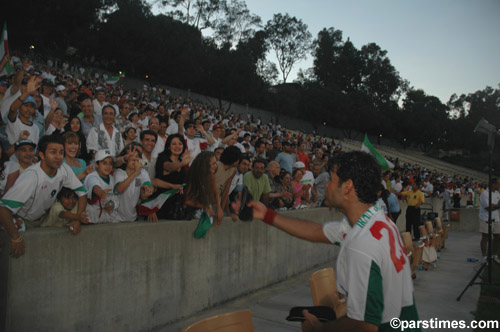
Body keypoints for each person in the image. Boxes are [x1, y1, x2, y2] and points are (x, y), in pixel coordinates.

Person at [243, 151, 420, 332]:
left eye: (331, 179)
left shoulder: (361, 245)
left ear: (347, 186)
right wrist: (267, 215)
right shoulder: (376, 221)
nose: (326, 185)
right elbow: (317, 231)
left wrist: (319, 328)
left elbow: (366, 325)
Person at [0, 135, 88, 258]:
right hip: (25, 221)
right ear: (41, 155)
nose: (58, 157)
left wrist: (77, 219)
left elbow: (82, 193)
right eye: (53, 152)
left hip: (45, 218)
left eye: (61, 152)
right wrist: (16, 238)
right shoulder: (31, 177)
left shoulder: (63, 169)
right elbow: (3, 209)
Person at [114, 144, 155, 222]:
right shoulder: (119, 173)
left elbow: (147, 185)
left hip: (133, 218)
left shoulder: (142, 172)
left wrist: (148, 190)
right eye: (131, 157)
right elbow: (119, 189)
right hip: (117, 219)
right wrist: (135, 173)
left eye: (137, 157)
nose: (134, 159)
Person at [185, 151, 222, 222]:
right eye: (213, 164)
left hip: (205, 205)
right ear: (205, 165)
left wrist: (219, 208)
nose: (216, 166)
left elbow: (215, 192)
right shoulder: (193, 176)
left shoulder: (210, 175)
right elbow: (187, 201)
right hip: (193, 209)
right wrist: (205, 207)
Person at [83, 149, 119, 223]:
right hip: (91, 219)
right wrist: (101, 193)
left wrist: (111, 205)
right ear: (96, 164)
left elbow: (116, 198)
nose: (108, 166)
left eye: (110, 163)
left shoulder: (112, 179)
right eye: (104, 163)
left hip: (106, 218)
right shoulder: (91, 176)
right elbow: (95, 186)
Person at [478, 177, 500, 263]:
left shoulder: (497, 193)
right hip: (485, 217)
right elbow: (488, 207)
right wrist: (496, 206)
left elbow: (495, 205)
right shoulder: (485, 193)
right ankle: (484, 256)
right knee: (485, 237)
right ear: (493, 184)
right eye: (498, 184)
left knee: (498, 236)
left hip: (496, 217)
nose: (499, 185)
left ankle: (494, 255)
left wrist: (495, 206)